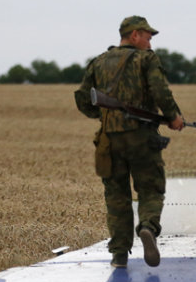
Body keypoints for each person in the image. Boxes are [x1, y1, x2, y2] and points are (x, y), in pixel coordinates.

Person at [74, 16, 185, 268]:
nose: (149, 43)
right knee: (151, 189)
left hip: (108, 141)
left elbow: (82, 98)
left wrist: (104, 116)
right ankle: (147, 227)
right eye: (147, 37)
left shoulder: (98, 61)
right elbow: (160, 90)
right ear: (135, 35)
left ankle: (119, 255)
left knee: (116, 198)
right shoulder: (146, 59)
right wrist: (173, 116)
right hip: (142, 137)